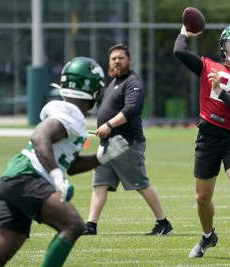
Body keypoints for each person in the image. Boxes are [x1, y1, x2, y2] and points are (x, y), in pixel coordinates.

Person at [0, 57, 129, 267]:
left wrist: (101, 158)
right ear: (94, 89)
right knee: (74, 225)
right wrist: (56, 176)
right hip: (27, 175)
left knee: (0, 254)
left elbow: (72, 165)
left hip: (16, 178)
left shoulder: (72, 116)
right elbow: (40, 138)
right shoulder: (70, 114)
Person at [174, 24, 230, 262]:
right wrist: (185, 31)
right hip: (207, 136)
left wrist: (220, 91)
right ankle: (207, 236)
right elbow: (179, 52)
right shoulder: (207, 65)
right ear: (223, 47)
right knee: (202, 198)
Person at [83, 43, 173, 236]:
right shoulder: (112, 83)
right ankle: (91, 225)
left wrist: (108, 125)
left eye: (120, 58)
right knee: (99, 184)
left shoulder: (133, 82)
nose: (116, 61)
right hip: (107, 145)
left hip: (126, 144)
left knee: (141, 183)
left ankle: (163, 223)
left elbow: (130, 110)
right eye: (113, 58)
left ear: (129, 60)